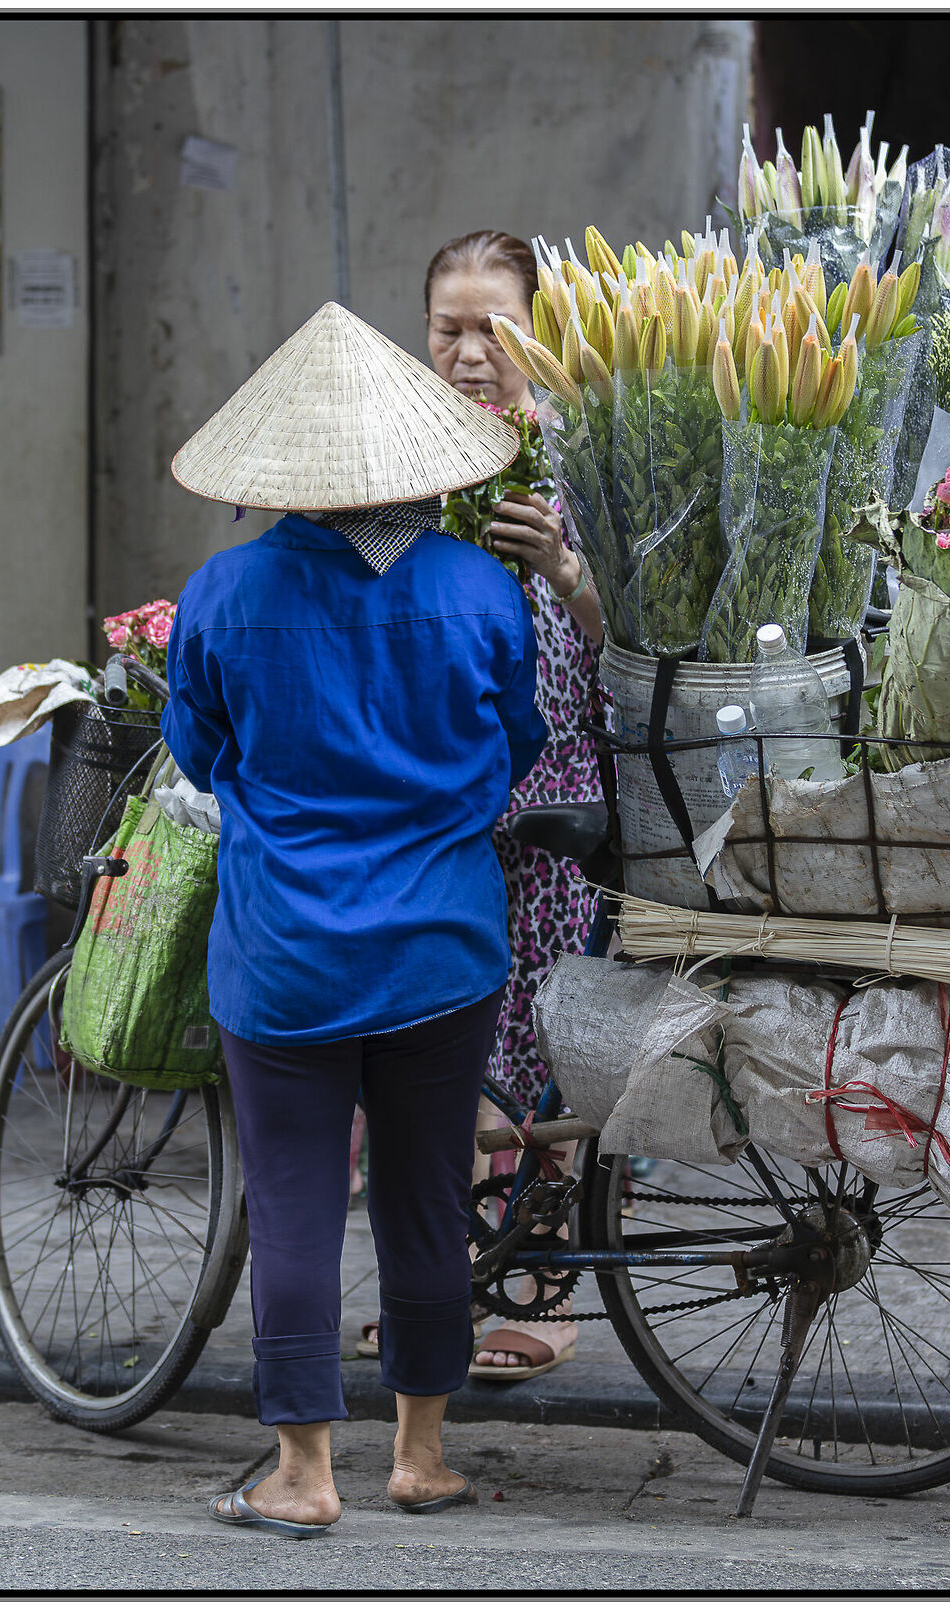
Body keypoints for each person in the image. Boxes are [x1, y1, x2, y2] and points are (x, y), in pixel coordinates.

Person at [165, 302, 544, 1536]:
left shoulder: (225, 592)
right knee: (426, 1198)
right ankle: (421, 1454)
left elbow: (200, 748)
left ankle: (303, 1472)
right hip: (442, 946)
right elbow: (518, 745)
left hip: (286, 955)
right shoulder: (480, 588)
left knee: (293, 1203)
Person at [376, 228, 608, 1382]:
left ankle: (541, 1287)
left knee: (537, 1045)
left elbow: (646, 637)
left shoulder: (591, 463)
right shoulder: (398, 467)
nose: (470, 354)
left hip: (553, 805)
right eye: (448, 329)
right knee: (430, 1052)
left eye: (494, 330)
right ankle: (436, 1289)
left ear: (540, 336)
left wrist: (567, 568)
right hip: (430, 804)